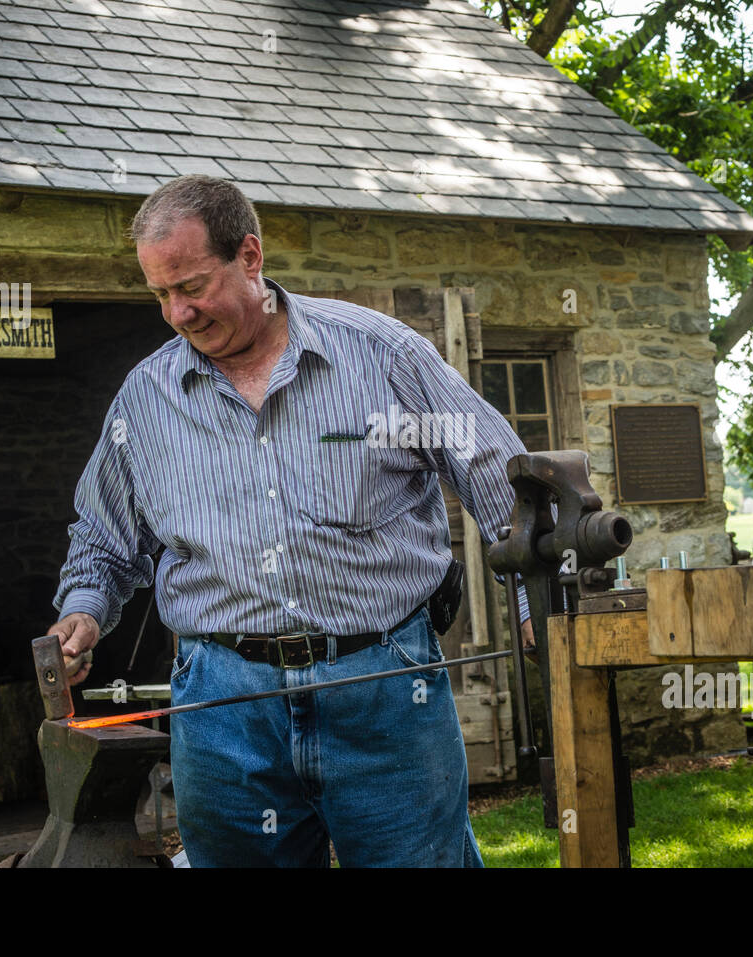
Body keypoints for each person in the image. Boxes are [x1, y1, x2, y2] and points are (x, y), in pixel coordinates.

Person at [47, 175, 534, 867]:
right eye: (160, 294)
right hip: (222, 708)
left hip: (384, 687)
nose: (178, 312)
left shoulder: (381, 355)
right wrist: (85, 611)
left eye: (191, 285)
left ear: (250, 255)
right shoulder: (145, 399)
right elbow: (103, 538)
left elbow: (499, 477)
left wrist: (531, 598)